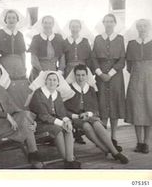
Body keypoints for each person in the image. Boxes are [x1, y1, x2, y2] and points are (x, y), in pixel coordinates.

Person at [0, 63, 48, 168]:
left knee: (25, 116)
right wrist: (5, 115)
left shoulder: (2, 90)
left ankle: (33, 154)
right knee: (25, 123)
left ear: (0, 76)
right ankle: (34, 155)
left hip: (8, 125)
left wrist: (31, 120)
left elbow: (14, 108)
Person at [65, 64, 129, 164]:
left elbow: (95, 107)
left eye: (83, 75)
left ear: (87, 75)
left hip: (89, 115)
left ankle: (114, 151)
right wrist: (76, 116)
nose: (80, 78)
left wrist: (89, 113)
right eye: (78, 75)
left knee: (97, 124)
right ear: (74, 75)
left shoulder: (90, 89)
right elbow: (64, 109)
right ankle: (105, 149)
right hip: (75, 117)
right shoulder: (69, 89)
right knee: (86, 126)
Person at [29, 71, 81, 169]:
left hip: (54, 123)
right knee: (58, 130)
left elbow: (61, 113)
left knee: (68, 128)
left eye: (54, 80)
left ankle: (70, 160)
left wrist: (67, 121)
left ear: (58, 83)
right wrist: (61, 123)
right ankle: (67, 161)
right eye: (49, 80)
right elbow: (43, 115)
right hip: (38, 123)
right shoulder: (38, 93)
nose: (52, 82)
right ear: (45, 81)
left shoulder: (58, 94)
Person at [92, 13, 126, 152]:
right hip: (101, 76)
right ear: (103, 23)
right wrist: (100, 73)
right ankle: (103, 137)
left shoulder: (119, 38)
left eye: (111, 21)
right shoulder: (98, 38)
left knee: (114, 104)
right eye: (106, 21)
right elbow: (93, 58)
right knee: (102, 104)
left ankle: (113, 137)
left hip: (115, 77)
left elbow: (122, 59)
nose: (108, 23)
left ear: (115, 23)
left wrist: (110, 73)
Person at [0, 9, 30, 109]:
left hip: (19, 64)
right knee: (6, 85)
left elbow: (22, 53)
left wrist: (24, 67)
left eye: (14, 18)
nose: (11, 20)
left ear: (17, 20)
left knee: (19, 86)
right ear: (5, 20)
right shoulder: (0, 33)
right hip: (5, 63)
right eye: (9, 18)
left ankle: (19, 109)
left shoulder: (20, 34)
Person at [63, 19, 93, 144]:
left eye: (77, 26)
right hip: (69, 70)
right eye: (72, 26)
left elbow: (89, 59)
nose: (74, 28)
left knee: (82, 97)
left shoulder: (85, 41)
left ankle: (80, 132)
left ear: (80, 28)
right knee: (71, 98)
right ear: (69, 27)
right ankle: (73, 131)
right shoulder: (65, 41)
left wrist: (89, 74)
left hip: (82, 71)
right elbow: (62, 59)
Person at [125, 19, 152, 154]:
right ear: (136, 28)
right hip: (135, 78)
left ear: (149, 27)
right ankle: (139, 142)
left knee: (148, 108)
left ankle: (147, 142)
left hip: (150, 80)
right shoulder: (131, 44)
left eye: (144, 26)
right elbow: (129, 66)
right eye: (139, 26)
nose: (142, 28)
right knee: (137, 109)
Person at [28, 15, 65, 81]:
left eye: (50, 23)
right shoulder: (36, 38)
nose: (47, 25)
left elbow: (62, 56)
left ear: (53, 24)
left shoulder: (58, 38)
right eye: (45, 23)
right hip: (38, 72)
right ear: (42, 24)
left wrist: (60, 70)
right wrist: (40, 71)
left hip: (54, 71)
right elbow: (33, 58)